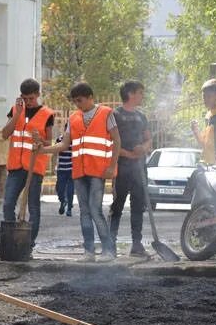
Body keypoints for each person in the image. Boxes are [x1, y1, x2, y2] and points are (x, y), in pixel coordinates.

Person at [38, 82, 121, 262]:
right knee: (84, 211)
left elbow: (117, 141)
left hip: (98, 171)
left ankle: (108, 251)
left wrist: (112, 166)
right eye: (75, 101)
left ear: (90, 97)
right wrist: (44, 150)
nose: (77, 104)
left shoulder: (106, 113)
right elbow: (64, 144)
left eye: (80, 100)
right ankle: (88, 252)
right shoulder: (74, 117)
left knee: (95, 210)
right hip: (79, 172)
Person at [0, 78, 54, 247]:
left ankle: (27, 244)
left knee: (33, 207)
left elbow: (49, 143)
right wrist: (17, 113)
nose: (28, 102)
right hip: (16, 167)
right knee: (8, 204)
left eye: (31, 98)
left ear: (38, 95)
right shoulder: (15, 110)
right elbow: (4, 134)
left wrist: (40, 141)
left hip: (34, 168)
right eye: (25, 98)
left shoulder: (47, 114)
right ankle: (11, 243)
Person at [108, 81, 151, 257]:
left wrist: (144, 148)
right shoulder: (115, 115)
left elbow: (149, 139)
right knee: (117, 206)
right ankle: (110, 243)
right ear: (131, 94)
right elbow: (110, 141)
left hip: (139, 168)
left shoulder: (142, 116)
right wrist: (126, 153)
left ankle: (137, 244)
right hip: (121, 167)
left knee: (138, 206)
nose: (142, 96)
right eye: (140, 93)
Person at [55, 125, 74, 217]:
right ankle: (63, 201)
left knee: (70, 189)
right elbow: (56, 152)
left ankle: (69, 208)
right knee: (59, 188)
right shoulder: (59, 139)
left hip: (71, 169)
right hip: (61, 169)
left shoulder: (75, 141)